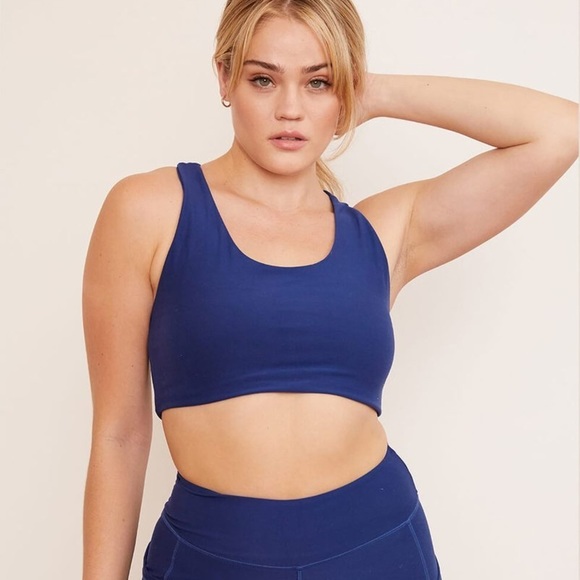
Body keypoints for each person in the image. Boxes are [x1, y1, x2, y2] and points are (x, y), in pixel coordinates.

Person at [81, 1, 578, 579]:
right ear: (224, 78)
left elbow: (558, 132)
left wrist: (371, 92)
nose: (290, 109)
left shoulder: (384, 233)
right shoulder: (148, 210)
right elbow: (119, 434)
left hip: (376, 548)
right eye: (263, 79)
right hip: (210, 556)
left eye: (318, 82)